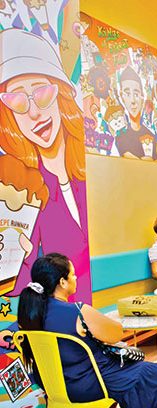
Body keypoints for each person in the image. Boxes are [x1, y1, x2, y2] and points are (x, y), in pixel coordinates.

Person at [17, 253, 157, 408]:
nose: (76, 278)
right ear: (62, 282)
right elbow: (116, 333)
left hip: (55, 386)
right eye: (72, 274)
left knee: (124, 371)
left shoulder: (30, 314)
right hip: (87, 384)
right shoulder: (77, 312)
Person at [0, 29, 92, 303]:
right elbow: (20, 283)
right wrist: (20, 255)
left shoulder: (83, 174)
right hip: (61, 312)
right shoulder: (28, 186)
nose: (34, 112)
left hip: (88, 306)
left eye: (41, 93)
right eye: (17, 101)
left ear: (61, 94)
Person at [115, 66, 157, 161]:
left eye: (136, 94)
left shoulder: (151, 135)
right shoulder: (121, 137)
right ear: (122, 97)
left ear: (142, 97)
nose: (133, 101)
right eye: (127, 94)